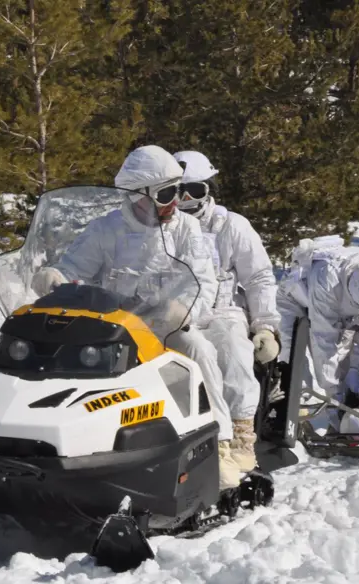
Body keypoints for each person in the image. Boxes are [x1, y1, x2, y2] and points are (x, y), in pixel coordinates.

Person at [30, 145, 243, 489]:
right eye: (166, 192)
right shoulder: (105, 230)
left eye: (177, 190)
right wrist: (53, 277)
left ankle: (218, 443)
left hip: (166, 326)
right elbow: (74, 270)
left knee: (197, 351)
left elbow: (204, 283)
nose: (176, 200)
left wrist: (183, 310)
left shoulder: (187, 229)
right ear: (136, 196)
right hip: (111, 327)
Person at [171, 150, 281, 476]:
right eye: (179, 191)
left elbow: (258, 277)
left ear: (210, 188)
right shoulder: (161, 224)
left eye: (196, 190)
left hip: (221, 310)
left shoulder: (230, 225)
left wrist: (264, 326)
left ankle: (239, 438)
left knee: (232, 353)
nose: (188, 199)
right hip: (173, 312)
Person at [276, 236, 359, 430]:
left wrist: (354, 369)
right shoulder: (327, 280)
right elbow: (324, 344)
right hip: (294, 298)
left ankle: (338, 407)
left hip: (340, 307)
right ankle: (292, 409)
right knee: (293, 356)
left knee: (343, 365)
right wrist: (334, 396)